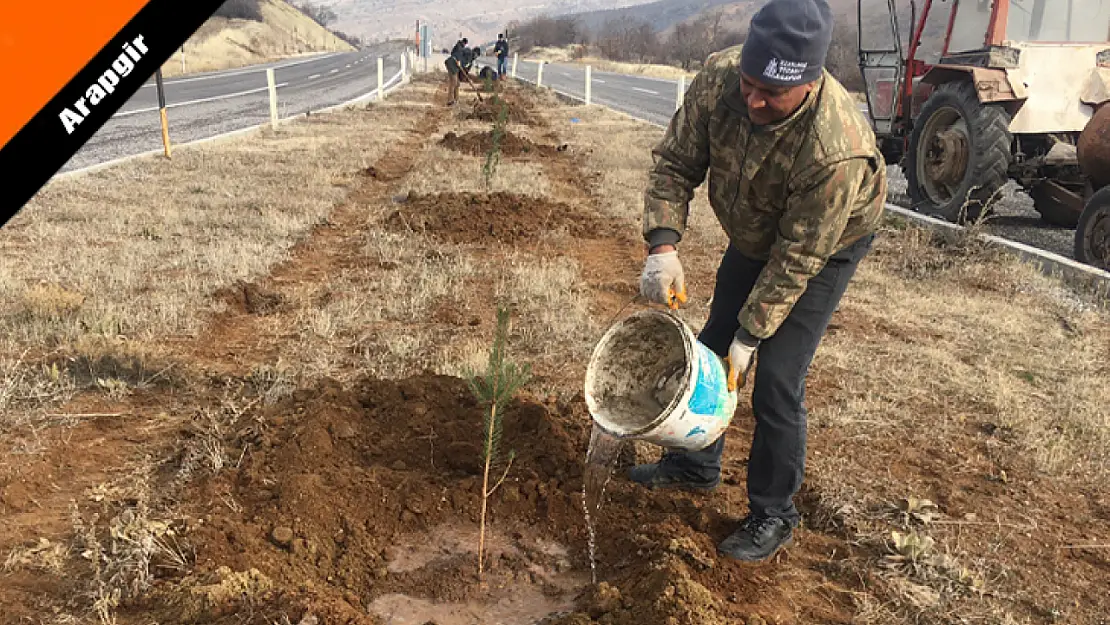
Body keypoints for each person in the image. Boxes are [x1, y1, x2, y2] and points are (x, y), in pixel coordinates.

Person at [631, 0, 887, 563]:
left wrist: (754, 336)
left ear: (810, 81)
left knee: (775, 377)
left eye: (770, 93)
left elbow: (798, 257)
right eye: (750, 82)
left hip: (825, 245)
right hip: (754, 228)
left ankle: (774, 512)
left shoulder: (835, 149)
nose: (753, 99)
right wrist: (663, 246)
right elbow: (674, 162)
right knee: (711, 344)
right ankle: (694, 464)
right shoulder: (721, 79)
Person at [444, 37, 470, 106]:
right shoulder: (460, 48)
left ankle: (456, 99)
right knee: (454, 83)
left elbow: (453, 54)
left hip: (453, 66)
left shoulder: (459, 47)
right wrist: (458, 60)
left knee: (457, 83)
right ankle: (450, 101)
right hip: (451, 65)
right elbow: (457, 57)